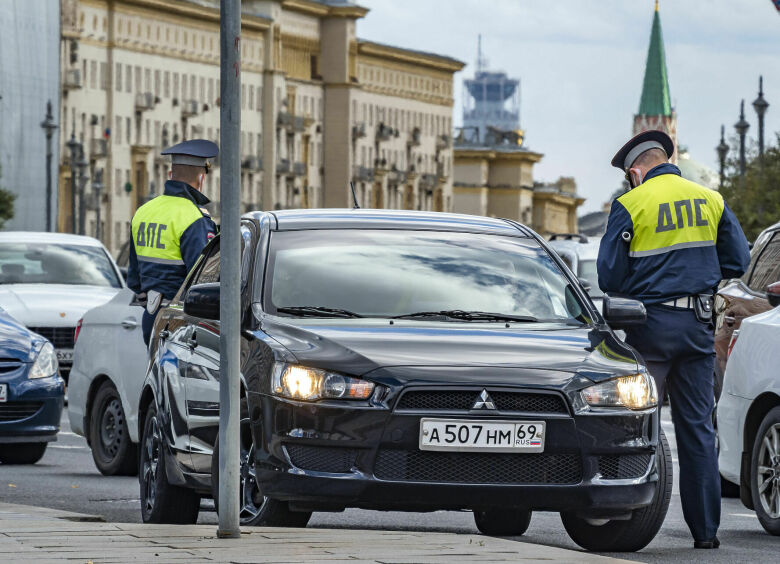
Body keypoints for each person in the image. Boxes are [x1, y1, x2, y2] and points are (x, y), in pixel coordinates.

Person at [597, 130, 751, 549]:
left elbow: (609, 277)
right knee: (699, 429)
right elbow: (738, 260)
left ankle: (622, 516)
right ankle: (706, 533)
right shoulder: (711, 199)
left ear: (635, 172)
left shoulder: (630, 203)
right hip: (699, 328)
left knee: (636, 421)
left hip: (650, 326)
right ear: (668, 159)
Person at [127, 139, 219, 345]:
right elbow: (204, 281)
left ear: (171, 175)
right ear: (201, 178)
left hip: (150, 319)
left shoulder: (143, 212)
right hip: (181, 324)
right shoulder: (194, 218)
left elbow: (133, 280)